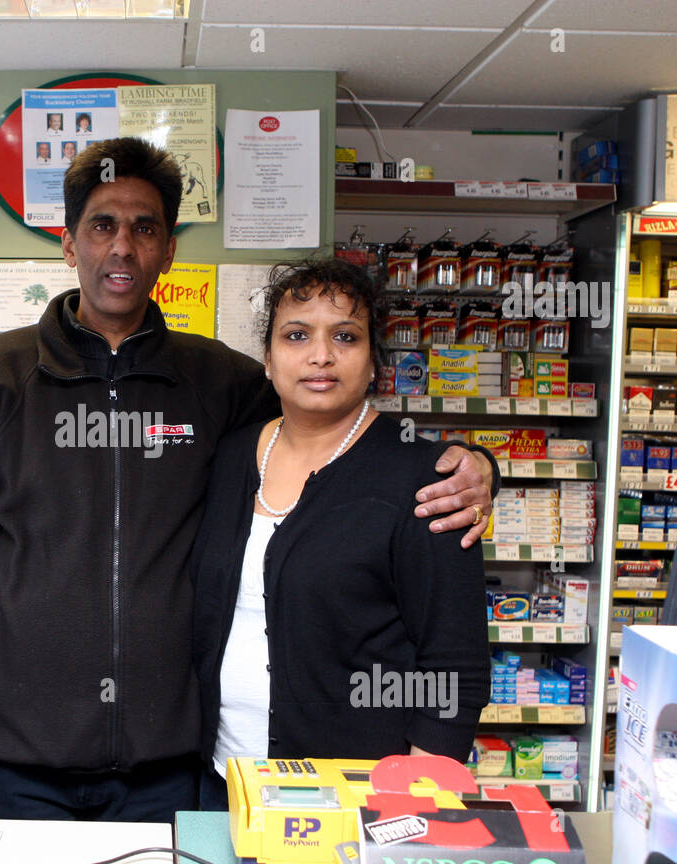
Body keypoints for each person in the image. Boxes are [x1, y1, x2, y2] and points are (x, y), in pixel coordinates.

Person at [0, 137, 498, 822]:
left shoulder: (220, 383)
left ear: (168, 251)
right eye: (102, 225)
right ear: (69, 245)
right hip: (12, 760)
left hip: (168, 770)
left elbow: (335, 425)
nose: (123, 246)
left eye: (145, 227)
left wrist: (473, 466)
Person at [190, 258, 490, 810]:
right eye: (296, 335)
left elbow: (456, 664)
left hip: (357, 797)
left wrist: (416, 802)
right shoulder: (230, 457)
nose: (320, 355)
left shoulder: (426, 479)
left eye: (345, 337)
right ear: (268, 357)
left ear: (374, 360)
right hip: (222, 781)